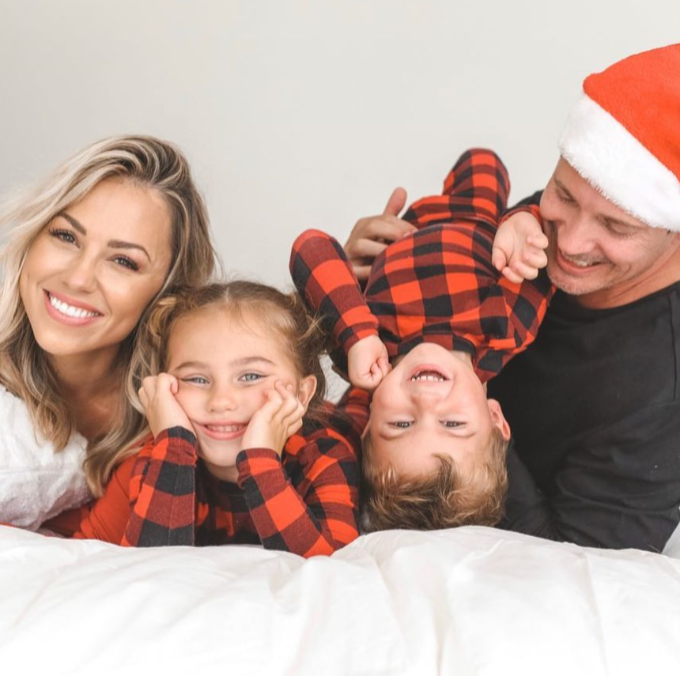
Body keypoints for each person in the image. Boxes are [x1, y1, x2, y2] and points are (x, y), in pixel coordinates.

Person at [345, 44, 680, 552]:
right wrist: (355, 292)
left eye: (616, 226)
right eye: (563, 195)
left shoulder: (662, 394)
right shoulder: (530, 231)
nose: (567, 244)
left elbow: (576, 562)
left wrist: (486, 440)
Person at [291, 148, 553, 531]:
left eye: (399, 424)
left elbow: (309, 245)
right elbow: (548, 251)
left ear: (366, 423)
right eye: (453, 423)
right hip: (474, 215)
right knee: (484, 164)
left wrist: (356, 332)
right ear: (496, 418)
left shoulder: (361, 347)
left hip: (400, 232)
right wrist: (522, 222)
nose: (426, 402)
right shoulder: (507, 325)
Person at [50, 281, 365, 556]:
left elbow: (329, 567)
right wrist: (173, 447)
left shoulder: (323, 455)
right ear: (164, 387)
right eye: (197, 379)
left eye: (251, 375)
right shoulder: (156, 457)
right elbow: (129, 567)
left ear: (301, 392)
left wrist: (261, 463)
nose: (221, 401)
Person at [0, 135, 218, 530]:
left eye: (123, 261)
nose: (79, 278)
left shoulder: (179, 418)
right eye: (66, 236)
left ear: (166, 294)